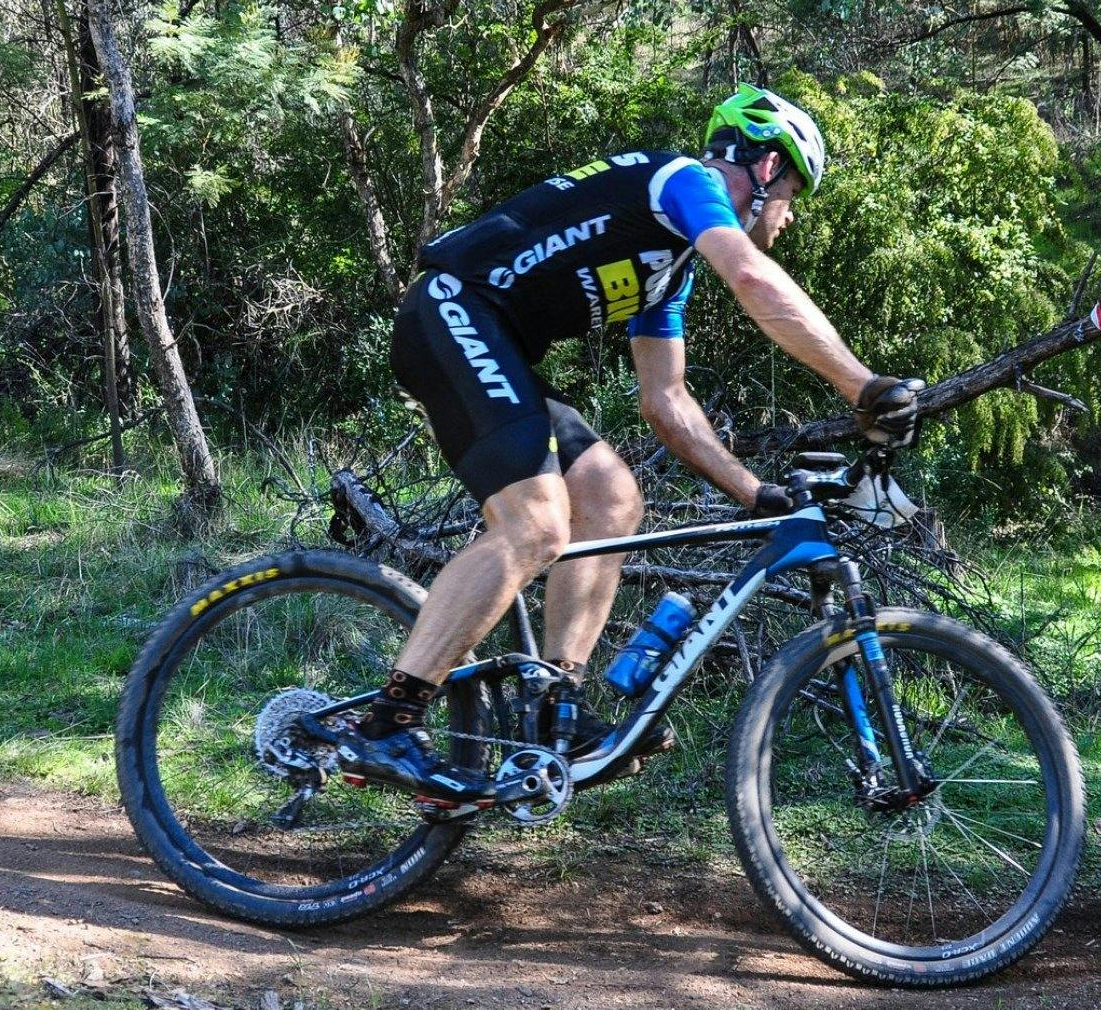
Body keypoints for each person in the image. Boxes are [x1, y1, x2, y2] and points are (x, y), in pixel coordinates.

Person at [337, 85, 925, 804]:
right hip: (451, 311)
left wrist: (755, 493)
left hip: (493, 344)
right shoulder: (682, 183)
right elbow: (749, 275)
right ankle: (388, 724)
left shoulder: (666, 270)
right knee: (536, 525)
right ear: (767, 167)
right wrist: (863, 386)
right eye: (792, 195)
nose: (789, 215)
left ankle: (554, 707)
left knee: (612, 498)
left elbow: (667, 404)